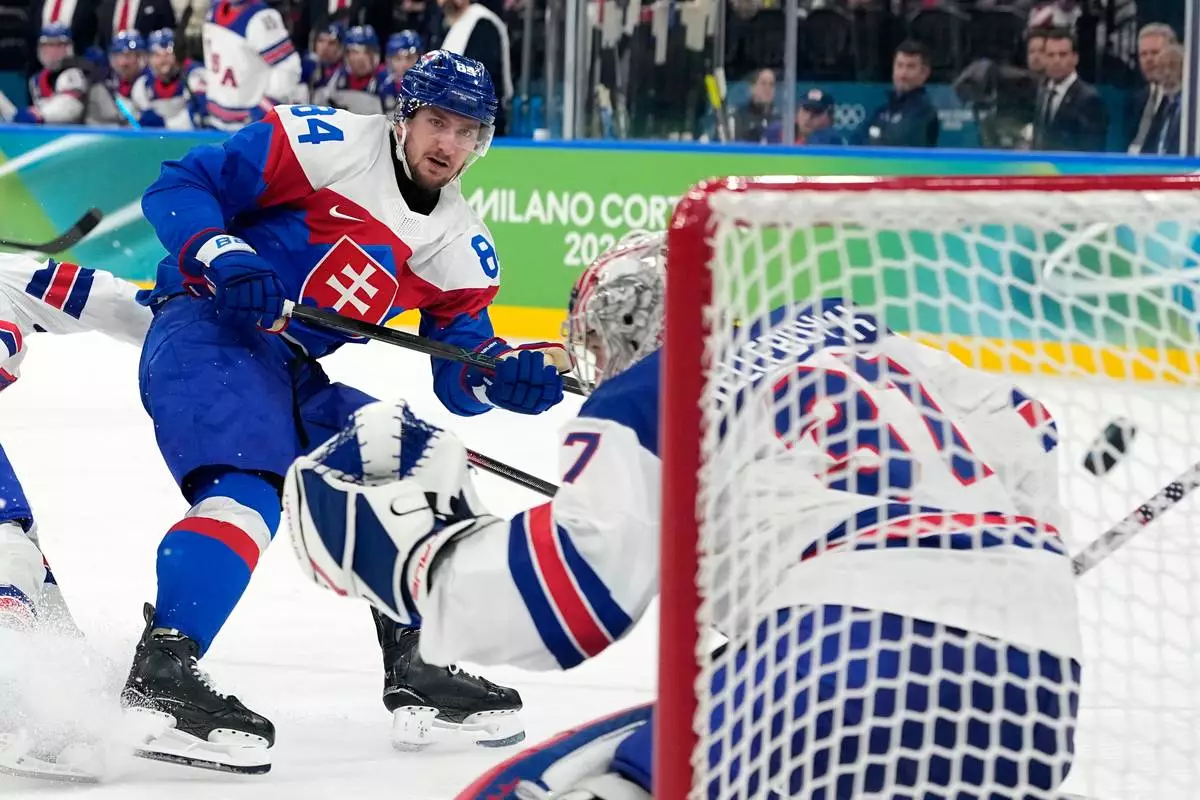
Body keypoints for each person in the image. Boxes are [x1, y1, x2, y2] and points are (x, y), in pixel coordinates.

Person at [284, 232, 1082, 798]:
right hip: (1040, 680)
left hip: (846, 658)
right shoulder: (863, 342)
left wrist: (428, 566)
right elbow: (1032, 428)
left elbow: (572, 601)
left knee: (542, 785)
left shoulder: (649, 394)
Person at [125, 49, 568, 775]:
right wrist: (225, 254)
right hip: (208, 329)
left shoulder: (460, 243)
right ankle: (161, 675)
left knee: (412, 462)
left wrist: (505, 381)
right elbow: (184, 184)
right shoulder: (322, 144)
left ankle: (416, 668)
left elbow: (462, 371)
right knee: (245, 490)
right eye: (436, 122)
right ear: (404, 119)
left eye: (467, 131)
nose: (448, 145)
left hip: (291, 367)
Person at [201, 0, 301, 130]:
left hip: (248, 128)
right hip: (214, 122)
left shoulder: (260, 17)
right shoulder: (213, 11)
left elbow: (288, 67)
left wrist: (266, 108)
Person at [1031, 28, 1107, 152]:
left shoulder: (1089, 100)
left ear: (1075, 58)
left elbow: (1091, 152)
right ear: (1044, 59)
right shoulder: (1043, 92)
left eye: (1063, 54)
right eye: (1051, 55)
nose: (1056, 61)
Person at [4, 23, 94, 124]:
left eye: (59, 46)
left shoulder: (75, 74)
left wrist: (39, 115)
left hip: (76, 133)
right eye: (47, 45)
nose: (52, 51)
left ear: (69, 48)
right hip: (45, 133)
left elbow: (69, 108)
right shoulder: (36, 79)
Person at [857, 39, 940, 148]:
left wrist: (876, 135)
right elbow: (857, 140)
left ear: (924, 73)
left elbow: (898, 142)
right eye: (899, 66)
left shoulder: (925, 111)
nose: (903, 74)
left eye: (910, 67)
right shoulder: (882, 110)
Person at [130, 28, 206, 129]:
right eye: (157, 55)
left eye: (168, 54)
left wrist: (166, 125)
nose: (163, 60)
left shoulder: (197, 77)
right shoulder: (142, 86)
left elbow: (201, 119)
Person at [314, 24, 386, 114]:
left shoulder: (385, 80)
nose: (360, 58)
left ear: (376, 54)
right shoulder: (335, 78)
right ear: (346, 55)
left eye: (367, 52)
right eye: (355, 52)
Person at [297, 22, 344, 104]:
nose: (324, 47)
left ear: (341, 48)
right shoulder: (305, 64)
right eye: (321, 41)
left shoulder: (345, 72)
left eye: (331, 43)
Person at [380, 30, 422, 115]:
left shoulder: (427, 89)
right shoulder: (381, 84)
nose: (404, 64)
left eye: (409, 58)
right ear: (390, 60)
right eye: (398, 59)